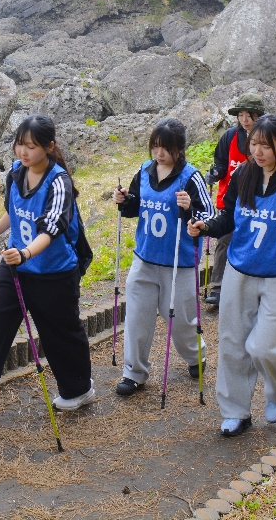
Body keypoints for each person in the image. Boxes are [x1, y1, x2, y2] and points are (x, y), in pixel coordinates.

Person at [188, 114, 276, 438]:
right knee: (232, 343)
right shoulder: (242, 175)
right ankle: (235, 411)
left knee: (265, 347)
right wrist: (205, 226)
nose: (258, 151)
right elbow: (227, 218)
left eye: (266, 146)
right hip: (240, 270)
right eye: (254, 144)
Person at [0, 115, 94, 424]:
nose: (23, 152)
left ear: (49, 147)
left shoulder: (59, 182)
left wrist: (25, 253)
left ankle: (78, 390)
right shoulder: (16, 173)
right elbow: (13, 213)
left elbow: (51, 229)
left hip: (53, 272)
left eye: (31, 146)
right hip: (15, 267)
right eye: (19, 145)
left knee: (61, 334)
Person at [112, 118, 214, 396]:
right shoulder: (144, 171)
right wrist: (124, 200)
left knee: (180, 320)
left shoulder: (191, 177)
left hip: (178, 263)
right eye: (155, 147)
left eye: (165, 148)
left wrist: (190, 208)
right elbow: (134, 205)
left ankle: (196, 356)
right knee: (136, 317)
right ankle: (133, 373)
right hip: (144, 258)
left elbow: (209, 216)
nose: (159, 154)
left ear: (179, 149)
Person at [202, 93, 264, 309]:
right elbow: (220, 162)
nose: (245, 119)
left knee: (252, 239)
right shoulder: (229, 136)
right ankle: (217, 287)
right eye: (241, 115)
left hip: (256, 201)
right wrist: (216, 172)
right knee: (224, 239)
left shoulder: (265, 139)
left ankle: (250, 285)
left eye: (249, 115)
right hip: (229, 198)